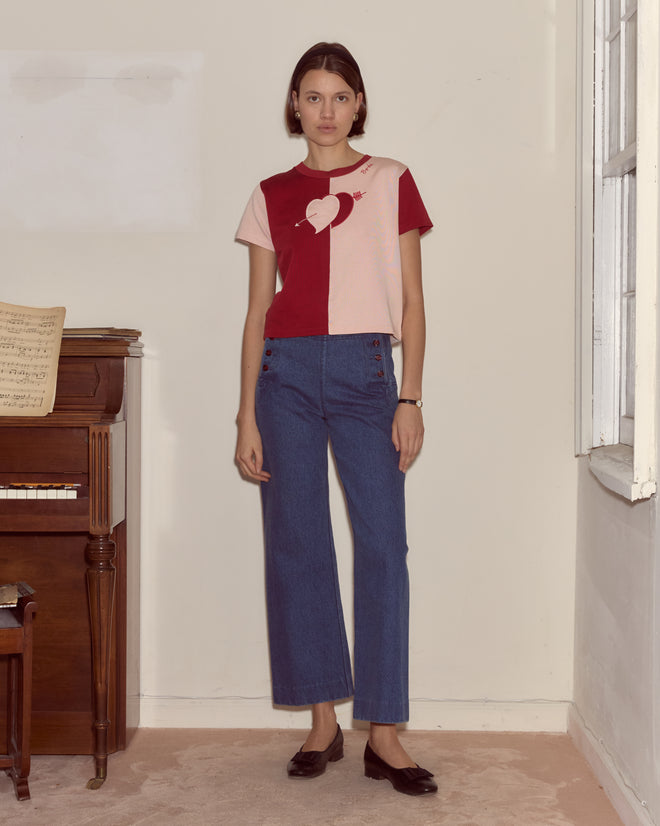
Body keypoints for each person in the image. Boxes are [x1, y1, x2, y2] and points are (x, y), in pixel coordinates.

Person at [235, 42, 436, 797]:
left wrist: (409, 396)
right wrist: (243, 416)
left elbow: (413, 301)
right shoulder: (269, 193)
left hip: (364, 374)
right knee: (297, 545)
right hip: (283, 377)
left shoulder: (390, 181)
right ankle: (322, 721)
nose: (325, 110)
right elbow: (256, 310)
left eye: (339, 96)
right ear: (295, 105)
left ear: (358, 104)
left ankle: (384, 733)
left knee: (384, 545)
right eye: (311, 95)